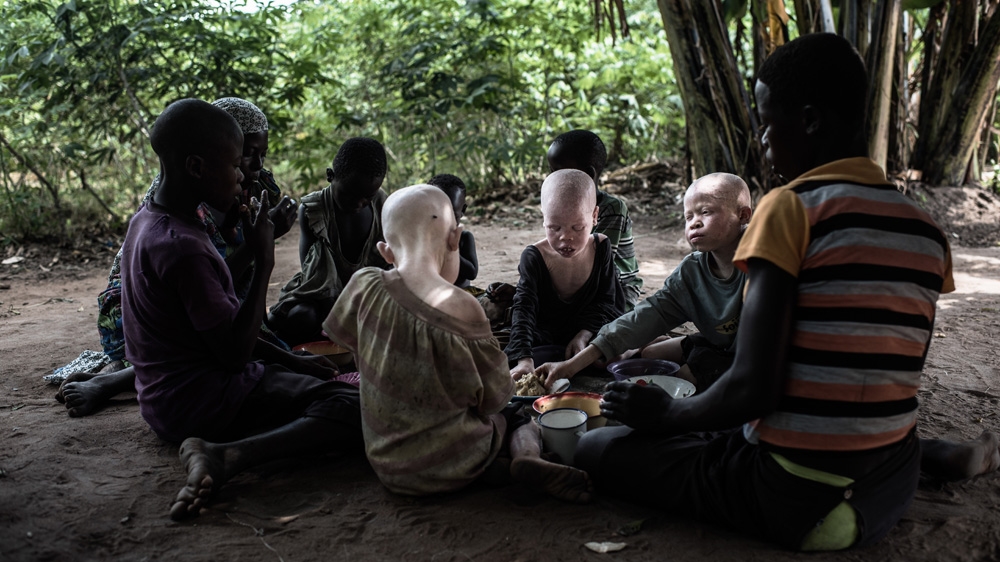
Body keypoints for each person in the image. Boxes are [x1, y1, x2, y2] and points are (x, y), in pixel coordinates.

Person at [573, 33, 999, 551]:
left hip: (795, 499)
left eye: (768, 122)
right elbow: (890, 376)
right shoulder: (925, 232)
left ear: (811, 120)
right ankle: (938, 457)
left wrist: (666, 416)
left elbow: (752, 388)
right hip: (886, 480)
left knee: (598, 447)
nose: (764, 139)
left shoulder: (789, 207)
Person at [121, 98, 363, 521]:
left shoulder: (151, 220)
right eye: (235, 164)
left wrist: (292, 362)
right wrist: (263, 257)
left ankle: (234, 439)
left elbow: (215, 319)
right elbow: (234, 353)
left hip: (166, 400)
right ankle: (226, 456)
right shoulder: (184, 247)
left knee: (311, 380)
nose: (242, 175)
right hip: (204, 402)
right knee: (354, 406)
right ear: (196, 168)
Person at [323, 183, 591, 502]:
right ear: (456, 239)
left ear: (386, 251)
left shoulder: (363, 284)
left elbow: (354, 354)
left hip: (387, 463)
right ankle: (527, 459)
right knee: (519, 419)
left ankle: (495, 470)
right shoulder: (465, 309)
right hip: (454, 457)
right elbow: (494, 399)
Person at [56, 97, 300, 417]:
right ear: (210, 155)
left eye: (261, 154)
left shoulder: (256, 185)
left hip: (207, 298)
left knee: (269, 345)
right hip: (145, 307)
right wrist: (259, 250)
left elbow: (223, 283)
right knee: (243, 351)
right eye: (245, 155)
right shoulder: (181, 202)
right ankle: (113, 382)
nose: (255, 165)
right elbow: (199, 278)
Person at [535, 172, 752, 392]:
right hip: (718, 344)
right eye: (688, 217)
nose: (694, 223)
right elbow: (648, 314)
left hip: (755, 357)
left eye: (706, 212)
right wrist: (572, 366)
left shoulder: (761, 266)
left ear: (743, 215)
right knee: (650, 354)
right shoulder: (692, 272)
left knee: (687, 375)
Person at [266, 137, 391, 346]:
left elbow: (389, 265)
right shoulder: (313, 210)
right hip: (321, 297)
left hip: (368, 296)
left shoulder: (381, 204)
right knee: (302, 317)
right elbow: (312, 275)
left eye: (367, 197)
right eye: (350, 195)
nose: (359, 204)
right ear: (330, 176)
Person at [506, 169, 626, 385]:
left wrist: (583, 335)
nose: (565, 237)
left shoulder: (601, 247)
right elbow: (524, 309)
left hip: (590, 327)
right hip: (547, 331)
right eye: (554, 227)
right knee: (512, 354)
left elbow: (607, 301)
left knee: (614, 347)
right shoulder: (534, 256)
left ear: (594, 216)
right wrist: (524, 360)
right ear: (543, 219)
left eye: (578, 227)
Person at [547, 130, 643, 310]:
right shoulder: (559, 207)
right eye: (551, 171)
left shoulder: (612, 209)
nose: (552, 179)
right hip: (574, 280)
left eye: (559, 172)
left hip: (615, 288)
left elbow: (596, 264)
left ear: (588, 174)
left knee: (586, 319)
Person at [427, 173, 479, 290]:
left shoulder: (465, 238)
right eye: (438, 216)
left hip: (461, 294)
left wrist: (451, 250)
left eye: (452, 216)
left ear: (462, 211)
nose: (445, 222)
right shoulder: (424, 238)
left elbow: (472, 273)